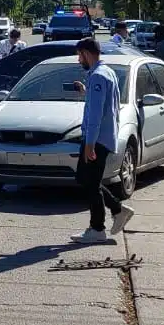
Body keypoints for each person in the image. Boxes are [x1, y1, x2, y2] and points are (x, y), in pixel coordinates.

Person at [71, 37, 136, 244]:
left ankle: (98, 227)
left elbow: (97, 114)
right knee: (86, 179)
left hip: (97, 139)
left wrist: (90, 143)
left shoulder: (98, 76)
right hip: (101, 137)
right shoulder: (105, 73)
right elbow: (101, 103)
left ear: (86, 54)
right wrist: (86, 91)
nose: (78, 59)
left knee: (90, 182)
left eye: (79, 55)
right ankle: (117, 210)